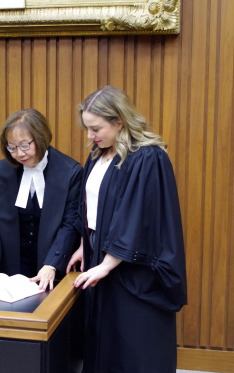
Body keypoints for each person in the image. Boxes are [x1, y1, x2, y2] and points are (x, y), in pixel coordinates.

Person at [66, 86, 187, 372]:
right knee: (104, 343)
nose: (90, 136)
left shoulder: (147, 157)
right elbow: (90, 207)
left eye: (96, 128)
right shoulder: (97, 154)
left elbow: (138, 217)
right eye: (87, 128)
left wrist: (107, 264)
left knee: (131, 346)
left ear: (119, 121)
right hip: (100, 258)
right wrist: (85, 244)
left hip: (132, 269)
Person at [0, 109, 82, 291]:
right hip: (10, 267)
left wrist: (52, 264)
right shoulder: (1, 171)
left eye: (25, 145)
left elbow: (70, 224)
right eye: (11, 147)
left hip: (52, 267)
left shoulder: (69, 172)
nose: (19, 154)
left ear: (41, 137)